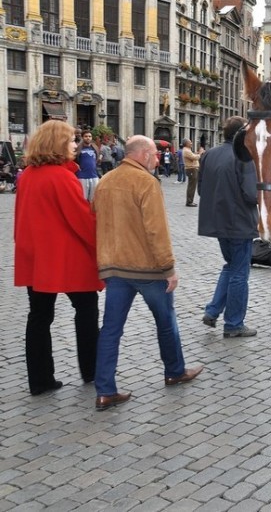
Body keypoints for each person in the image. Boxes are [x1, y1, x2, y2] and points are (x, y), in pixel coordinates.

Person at [92, 135, 203, 411]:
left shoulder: (105, 181)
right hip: (147, 269)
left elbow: (97, 218)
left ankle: (105, 390)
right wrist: (168, 268)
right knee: (166, 322)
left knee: (110, 330)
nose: (157, 160)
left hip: (114, 267)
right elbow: (157, 231)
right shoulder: (146, 183)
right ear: (142, 155)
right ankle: (175, 371)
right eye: (154, 155)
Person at [13, 120, 104, 395]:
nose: (76, 144)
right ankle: (91, 369)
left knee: (39, 317)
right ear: (58, 143)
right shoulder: (62, 177)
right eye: (71, 140)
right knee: (86, 310)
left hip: (37, 257)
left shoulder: (27, 174)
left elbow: (19, 219)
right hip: (67, 258)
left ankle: (40, 379)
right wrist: (104, 240)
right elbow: (82, 220)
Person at [198, 117, 259, 338]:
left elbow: (201, 191)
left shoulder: (209, 155)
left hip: (218, 223)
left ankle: (213, 310)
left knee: (230, 266)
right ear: (242, 134)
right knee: (239, 274)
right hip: (240, 223)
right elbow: (251, 194)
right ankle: (233, 324)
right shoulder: (244, 157)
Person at [75, 130, 100, 200]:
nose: (88, 138)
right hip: (82, 176)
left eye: (89, 136)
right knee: (83, 198)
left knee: (94, 199)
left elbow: (97, 160)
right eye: (86, 136)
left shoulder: (95, 148)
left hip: (94, 176)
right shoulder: (78, 149)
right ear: (82, 137)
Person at [182, 139, 201, 207]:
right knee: (192, 186)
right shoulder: (186, 150)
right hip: (191, 169)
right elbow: (194, 158)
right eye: (190, 142)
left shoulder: (187, 150)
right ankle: (189, 202)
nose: (191, 143)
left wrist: (196, 154)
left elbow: (192, 156)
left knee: (192, 185)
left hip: (192, 169)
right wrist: (200, 154)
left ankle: (190, 201)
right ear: (186, 144)